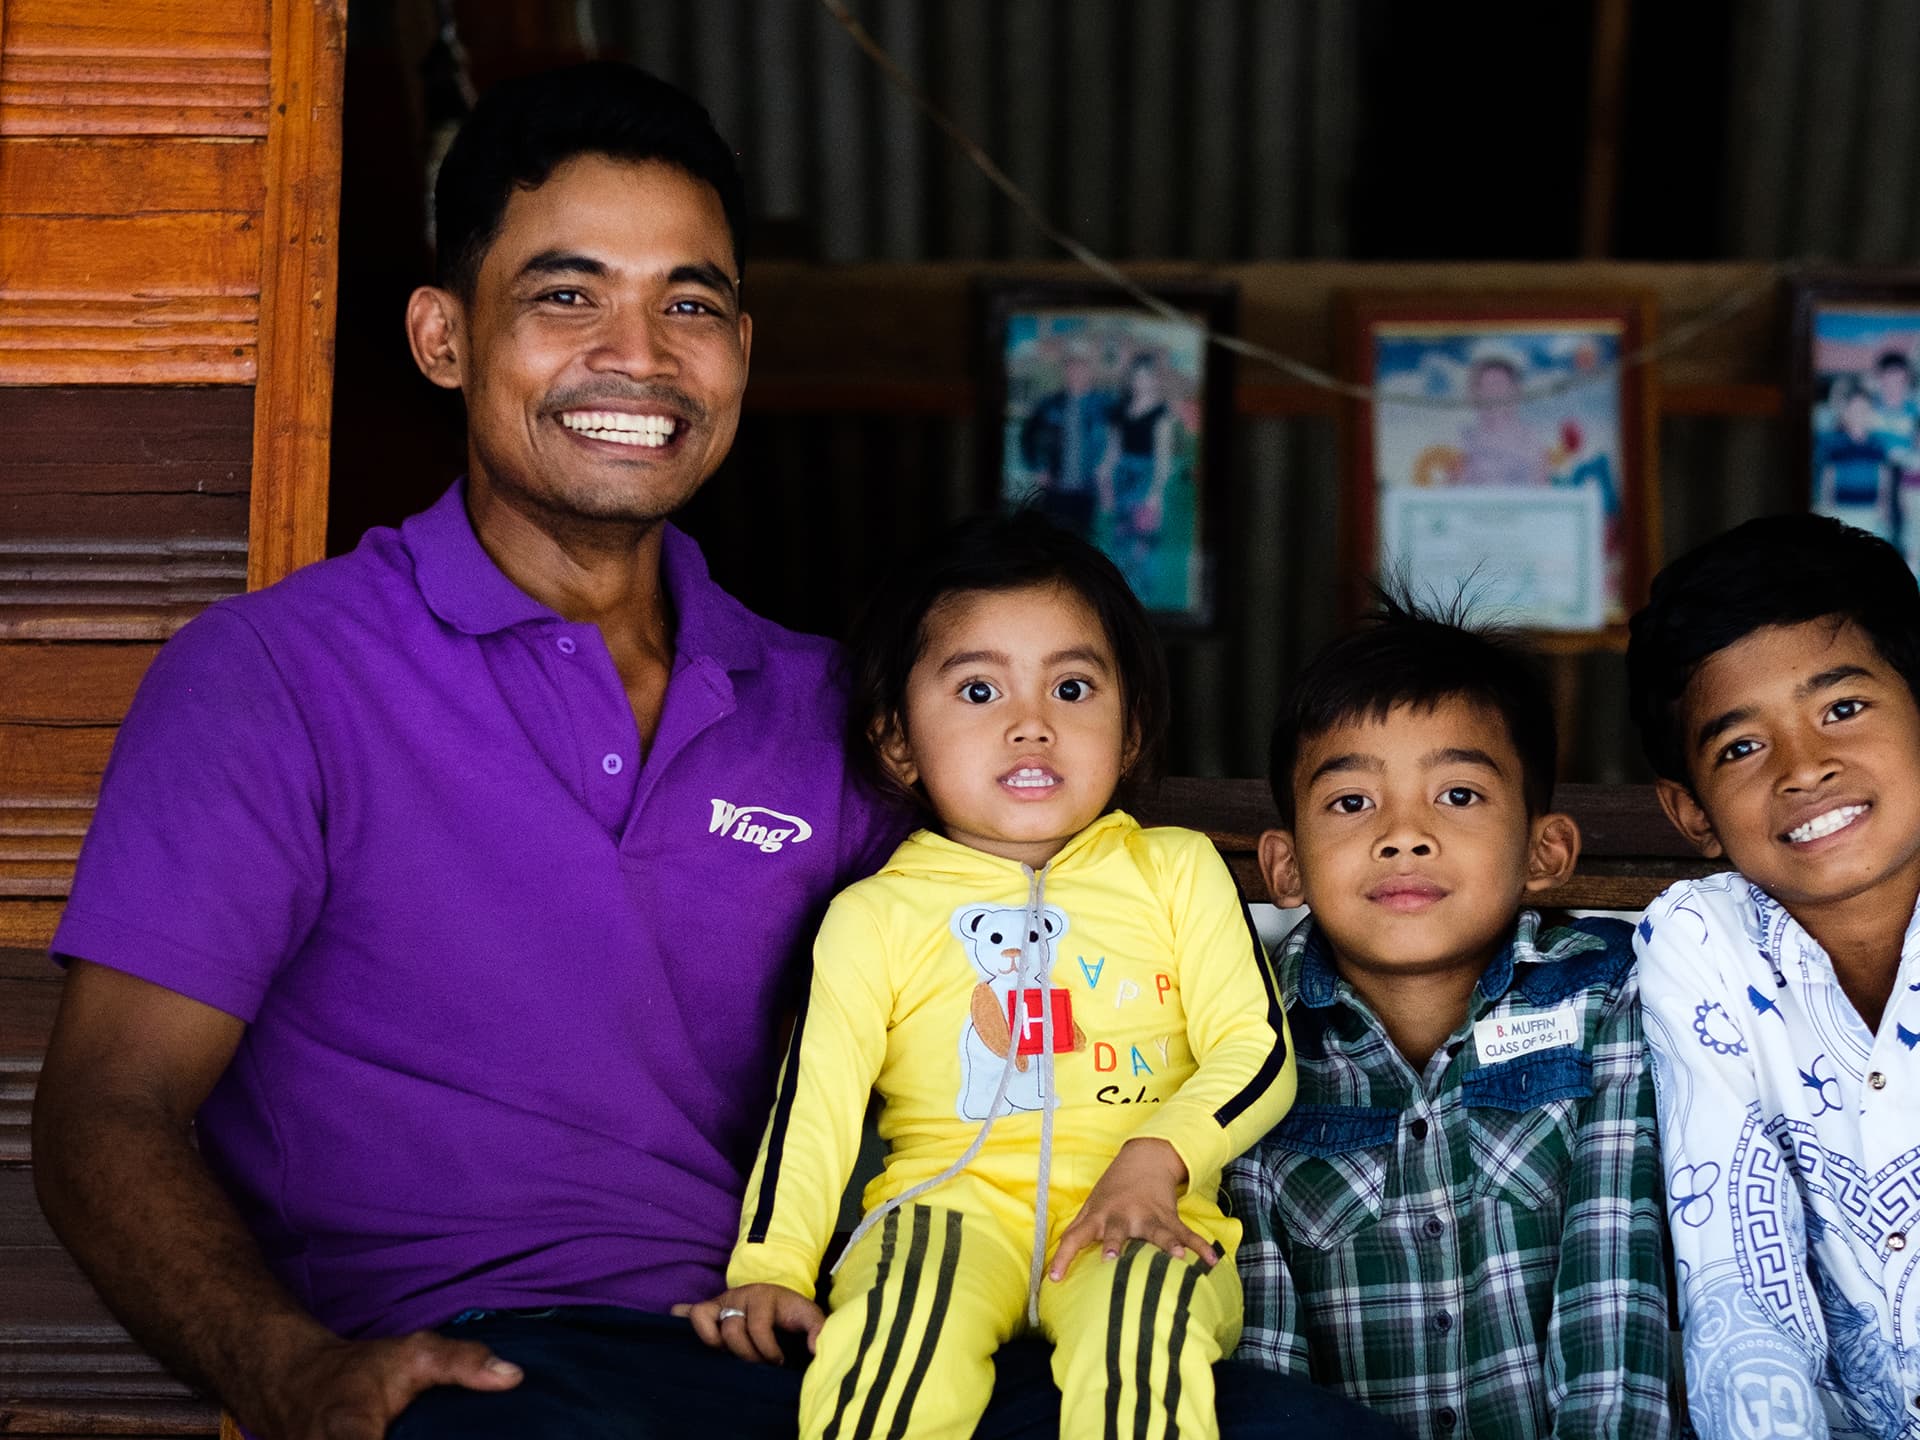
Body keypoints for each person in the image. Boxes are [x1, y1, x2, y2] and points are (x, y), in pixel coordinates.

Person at [30, 63, 929, 1440]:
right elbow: (107, 1110)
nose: (640, 355)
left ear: (743, 350)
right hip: (485, 1373)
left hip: (793, 1363)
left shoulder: (829, 712)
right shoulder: (279, 678)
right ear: (443, 337)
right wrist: (290, 1372)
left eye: (689, 304)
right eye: (568, 296)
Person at [680, 512, 1318, 1439]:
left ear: (1131, 729)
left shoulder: (1176, 872)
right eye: (979, 690)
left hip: (1144, 1211)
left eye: (1072, 687)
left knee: (1142, 1336)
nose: (1031, 725)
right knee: (894, 1345)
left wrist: (1159, 1160)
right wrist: (770, 1268)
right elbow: (813, 1107)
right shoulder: (875, 915)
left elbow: (1255, 1050)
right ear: (898, 742)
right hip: (943, 1213)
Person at [1224, 595, 1673, 1438]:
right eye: (1351, 802)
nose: (1405, 835)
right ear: (1285, 867)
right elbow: (1265, 1365)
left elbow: (1615, 1304)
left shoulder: (1604, 1003)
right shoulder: (1248, 1042)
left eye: (1458, 794)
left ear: (1544, 851)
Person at [1626, 514, 1920, 1440]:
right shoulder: (1702, 944)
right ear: (1692, 813)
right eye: (1742, 746)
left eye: (1843, 709)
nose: (1805, 768)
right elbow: (1739, 1294)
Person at [1016, 337, 1110, 535]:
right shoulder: (1048, 404)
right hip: (1055, 489)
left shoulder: (1104, 405)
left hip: (1087, 490)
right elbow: (1027, 437)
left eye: (1082, 366)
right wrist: (1037, 468)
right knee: (1053, 539)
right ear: (1065, 370)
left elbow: (1117, 443)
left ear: (1090, 371)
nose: (1076, 372)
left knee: (1083, 542)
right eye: (1071, 366)